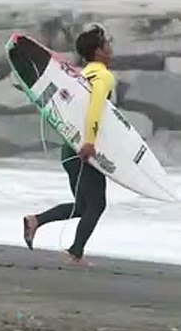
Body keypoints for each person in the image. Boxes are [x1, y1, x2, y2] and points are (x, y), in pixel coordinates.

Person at [22, 23, 116, 265]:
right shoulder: (103, 76)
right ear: (98, 51)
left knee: (83, 206)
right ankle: (75, 253)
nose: (111, 47)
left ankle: (36, 221)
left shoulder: (80, 76)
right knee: (97, 205)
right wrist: (90, 143)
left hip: (69, 149)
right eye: (107, 43)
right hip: (85, 149)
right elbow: (95, 109)